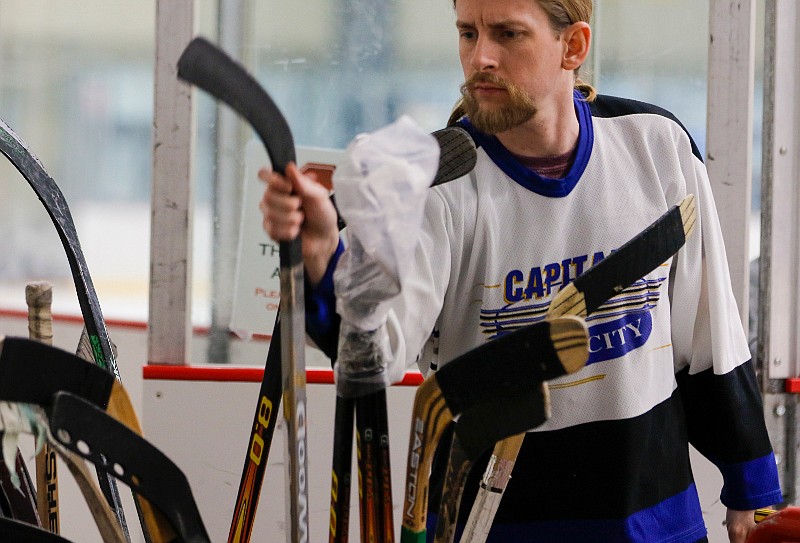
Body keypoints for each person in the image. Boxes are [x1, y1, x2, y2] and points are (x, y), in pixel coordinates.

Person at [258, 0, 782, 541]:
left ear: (573, 46)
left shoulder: (657, 145)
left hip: (653, 520)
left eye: (508, 34)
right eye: (468, 33)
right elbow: (372, 358)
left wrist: (752, 484)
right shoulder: (437, 186)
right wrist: (320, 254)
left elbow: (708, 329)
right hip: (489, 525)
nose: (480, 57)